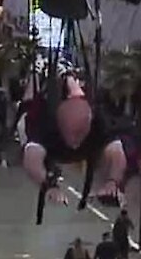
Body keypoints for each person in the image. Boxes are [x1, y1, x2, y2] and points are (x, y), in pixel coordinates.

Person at [20, 75, 127, 207]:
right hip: (41, 123)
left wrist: (112, 181)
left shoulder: (99, 122)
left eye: (79, 134)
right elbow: (31, 161)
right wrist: (49, 185)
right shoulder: (46, 125)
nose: (74, 142)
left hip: (81, 110)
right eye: (69, 134)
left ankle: (69, 78)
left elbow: (118, 154)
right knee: (27, 106)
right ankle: (36, 74)